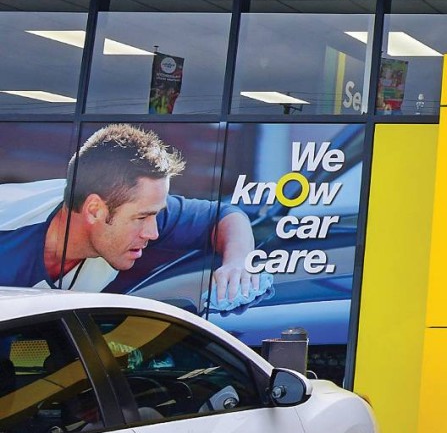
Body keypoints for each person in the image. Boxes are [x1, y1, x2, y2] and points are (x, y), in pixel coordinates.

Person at [0, 123, 261, 303]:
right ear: (94, 210)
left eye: (154, 215)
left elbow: (226, 216)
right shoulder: (9, 230)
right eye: (141, 218)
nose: (154, 232)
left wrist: (237, 263)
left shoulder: (132, 203)